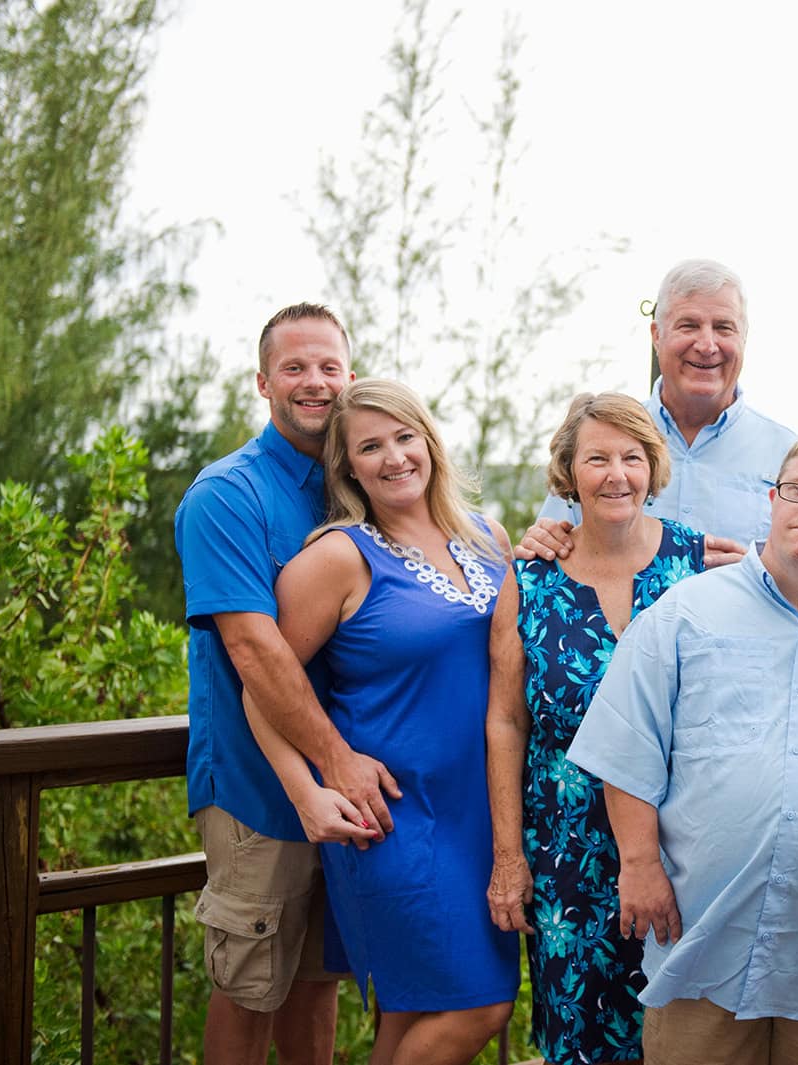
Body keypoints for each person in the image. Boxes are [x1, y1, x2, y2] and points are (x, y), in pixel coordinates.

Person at [567, 432, 798, 1065]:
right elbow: (626, 745)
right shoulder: (684, 614)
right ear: (773, 497)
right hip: (702, 940)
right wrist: (639, 864)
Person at [243, 379, 519, 1065]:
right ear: (349, 467)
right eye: (371, 446)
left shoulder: (489, 537)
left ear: (430, 441)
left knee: (415, 1011)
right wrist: (309, 793)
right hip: (393, 817)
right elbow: (263, 687)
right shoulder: (338, 556)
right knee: (481, 1003)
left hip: (483, 815)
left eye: (404, 437)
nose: (394, 457)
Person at [176, 303, 396, 1065]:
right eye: (296, 367)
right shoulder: (226, 495)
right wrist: (333, 760)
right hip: (254, 793)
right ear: (263, 381)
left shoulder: (356, 486)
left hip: (349, 791)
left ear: (351, 377)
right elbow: (254, 649)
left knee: (317, 985)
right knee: (249, 990)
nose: (315, 382)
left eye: (329, 366)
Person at [485, 392, 706, 1065]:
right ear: (568, 471)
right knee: (579, 1036)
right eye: (598, 458)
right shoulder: (528, 578)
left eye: (632, 457)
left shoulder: (696, 564)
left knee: (686, 1033)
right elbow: (505, 720)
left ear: (652, 466)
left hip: (685, 845)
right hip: (565, 851)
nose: (617, 474)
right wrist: (508, 859)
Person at [521, 259, 796, 565]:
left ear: (743, 338)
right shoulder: (600, 437)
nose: (707, 345)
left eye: (723, 328)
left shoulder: (789, 457)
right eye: (689, 325)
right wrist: (543, 539)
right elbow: (553, 543)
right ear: (656, 335)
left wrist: (762, 573)